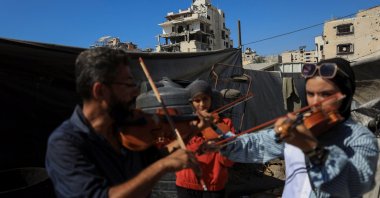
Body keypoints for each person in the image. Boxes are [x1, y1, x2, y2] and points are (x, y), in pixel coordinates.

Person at [45, 47, 207, 198]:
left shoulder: (124, 130)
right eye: (129, 84)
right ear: (100, 91)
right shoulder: (65, 143)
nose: (136, 91)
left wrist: (193, 131)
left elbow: (156, 159)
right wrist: (162, 166)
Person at [217, 58, 379, 197]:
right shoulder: (302, 127)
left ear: (346, 94)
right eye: (310, 93)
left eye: (326, 94)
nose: (315, 103)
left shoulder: (361, 138)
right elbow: (255, 146)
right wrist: (216, 136)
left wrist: (312, 148)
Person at [175, 80, 235, 198]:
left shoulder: (225, 123)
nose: (202, 104)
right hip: (187, 183)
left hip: (214, 185)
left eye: (205, 99)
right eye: (197, 100)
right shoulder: (185, 124)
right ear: (191, 103)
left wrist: (216, 132)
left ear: (211, 100)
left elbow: (230, 159)